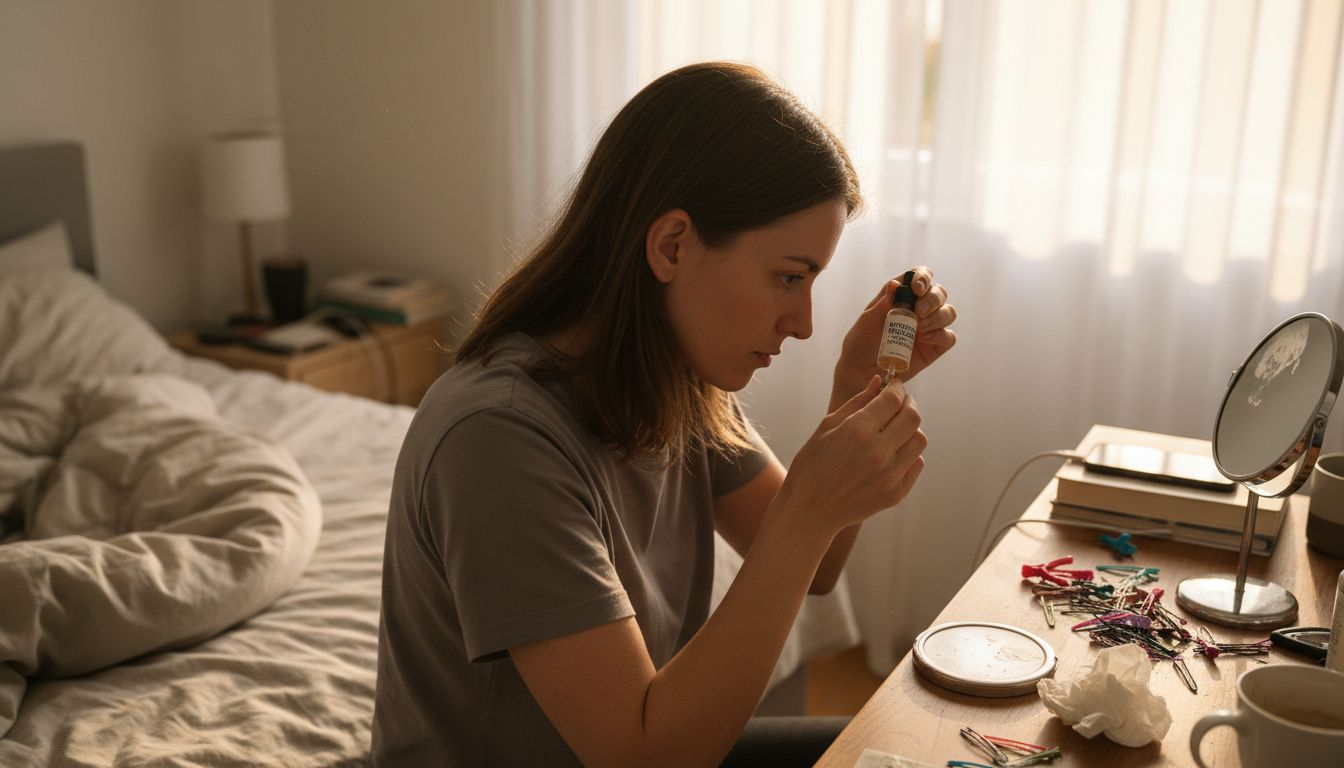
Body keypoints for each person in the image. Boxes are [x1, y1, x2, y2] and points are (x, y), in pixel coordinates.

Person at [371, 61, 957, 767]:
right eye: (788, 277)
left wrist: (855, 388)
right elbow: (643, 757)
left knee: (927, 748)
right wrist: (805, 511)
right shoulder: (496, 438)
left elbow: (817, 566)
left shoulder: (672, 379)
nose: (803, 324)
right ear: (672, 245)